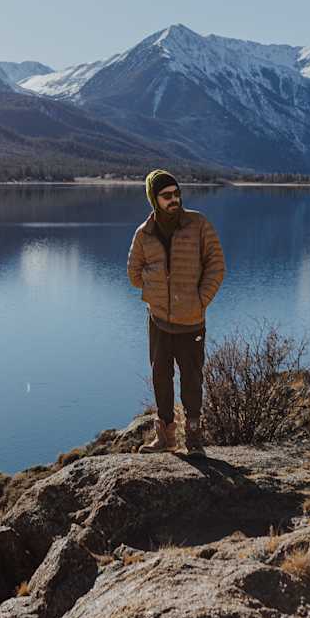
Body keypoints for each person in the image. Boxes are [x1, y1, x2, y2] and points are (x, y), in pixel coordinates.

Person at [126, 169, 226, 456]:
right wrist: (156, 282)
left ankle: (193, 439)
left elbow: (216, 266)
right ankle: (165, 438)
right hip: (158, 320)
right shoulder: (144, 234)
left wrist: (200, 299)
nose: (174, 200)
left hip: (191, 321)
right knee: (160, 377)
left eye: (177, 194)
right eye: (167, 196)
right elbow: (133, 274)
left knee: (192, 380)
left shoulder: (198, 224)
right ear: (154, 200)